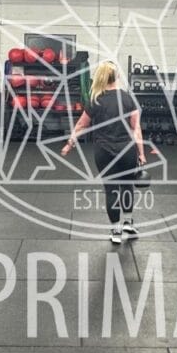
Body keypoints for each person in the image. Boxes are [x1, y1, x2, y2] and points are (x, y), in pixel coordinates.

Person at [61, 60, 146, 244]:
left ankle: (116, 231)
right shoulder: (128, 99)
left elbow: (81, 125)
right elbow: (136, 129)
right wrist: (141, 154)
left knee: (111, 189)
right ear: (117, 76)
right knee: (127, 186)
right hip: (127, 150)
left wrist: (70, 144)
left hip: (104, 152)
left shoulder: (96, 99)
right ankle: (128, 223)